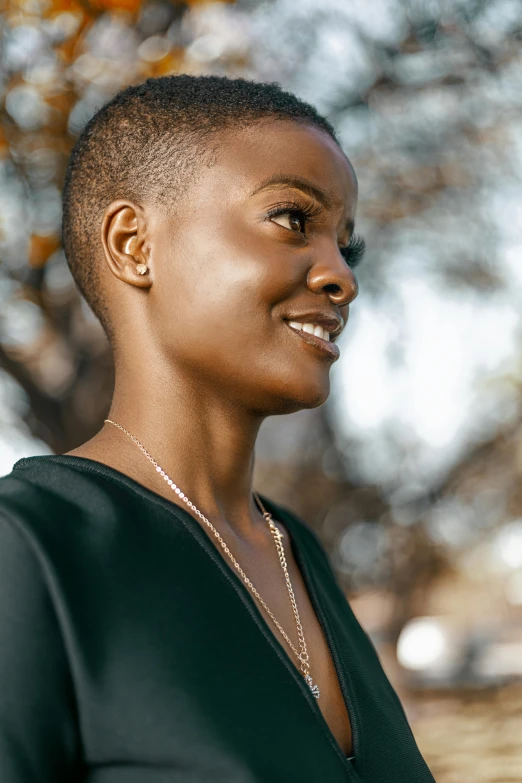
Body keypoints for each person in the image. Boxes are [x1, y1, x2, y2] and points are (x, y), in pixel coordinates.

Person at [0, 74, 436, 782]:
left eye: (346, 245)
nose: (341, 277)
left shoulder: (302, 558)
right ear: (134, 244)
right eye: (294, 218)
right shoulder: (31, 548)